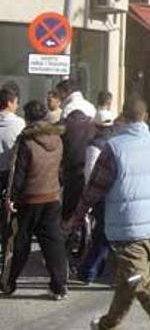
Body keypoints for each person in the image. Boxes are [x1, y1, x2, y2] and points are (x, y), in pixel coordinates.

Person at [62, 97, 150, 330]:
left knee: (141, 282)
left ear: (123, 116)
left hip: (127, 227)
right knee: (128, 279)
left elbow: (93, 190)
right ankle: (108, 324)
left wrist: (75, 219)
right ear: (146, 117)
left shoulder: (114, 148)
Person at [1, 100, 68, 299]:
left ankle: (8, 283)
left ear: (27, 118)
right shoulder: (57, 139)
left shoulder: (26, 141)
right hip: (52, 196)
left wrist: (11, 198)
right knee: (53, 242)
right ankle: (59, 286)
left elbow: (17, 173)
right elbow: (61, 168)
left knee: (19, 242)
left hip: (29, 199)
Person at [77, 118, 115, 285]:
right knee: (104, 235)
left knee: (101, 235)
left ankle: (90, 271)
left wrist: (87, 200)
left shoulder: (95, 146)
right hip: (113, 196)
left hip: (101, 195)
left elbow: (90, 175)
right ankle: (94, 270)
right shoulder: (114, 144)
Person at [56, 79, 98, 225]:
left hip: (71, 160)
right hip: (90, 157)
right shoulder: (91, 107)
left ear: (66, 92)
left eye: (60, 93)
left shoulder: (67, 110)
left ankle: (69, 232)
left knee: (70, 200)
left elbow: (62, 138)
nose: (59, 97)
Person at [0, 89, 25, 269]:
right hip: (9, 175)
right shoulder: (18, 123)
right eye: (16, 102)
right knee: (8, 216)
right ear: (9, 103)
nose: (17, 105)